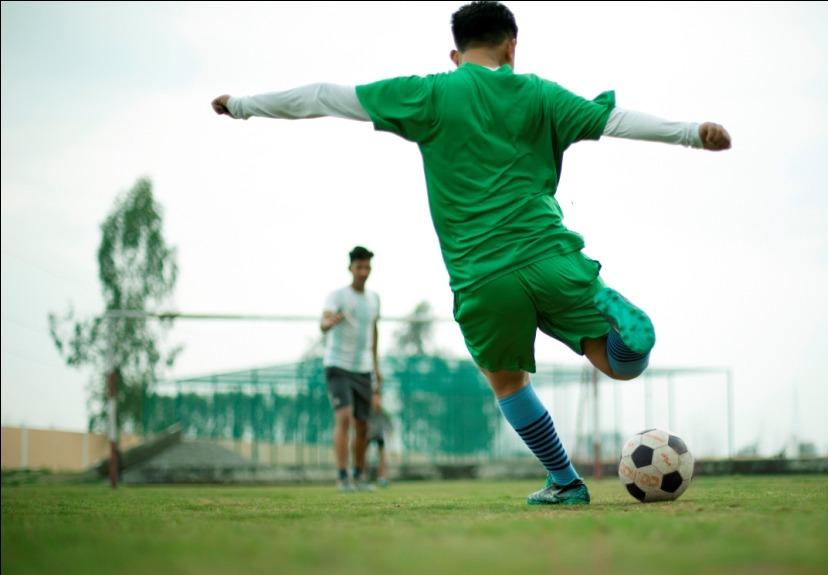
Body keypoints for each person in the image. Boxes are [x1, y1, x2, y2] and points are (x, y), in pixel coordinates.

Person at [212, 0, 731, 505]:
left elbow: (325, 95)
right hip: (550, 255)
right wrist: (690, 134)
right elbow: (612, 119)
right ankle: (625, 332)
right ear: (511, 47)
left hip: (482, 277)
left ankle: (566, 483)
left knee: (506, 382)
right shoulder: (539, 94)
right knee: (618, 365)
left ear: (455, 55)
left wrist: (242, 106)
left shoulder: (432, 94)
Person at [321, 246, 383, 492]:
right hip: (337, 365)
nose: (363, 272)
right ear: (351, 268)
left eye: (367, 267)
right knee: (344, 418)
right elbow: (324, 321)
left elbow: (374, 332)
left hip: (363, 369)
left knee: (363, 425)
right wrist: (328, 322)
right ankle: (342, 476)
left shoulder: (374, 299)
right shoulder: (337, 296)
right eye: (359, 267)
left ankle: (359, 475)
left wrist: (376, 368)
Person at [367, 393, 395, 487]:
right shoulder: (367, 412)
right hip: (368, 435)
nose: (377, 401)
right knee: (363, 457)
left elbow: (389, 428)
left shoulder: (384, 413)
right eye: (375, 399)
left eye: (378, 399)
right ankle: (362, 477)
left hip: (379, 436)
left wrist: (391, 443)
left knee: (382, 457)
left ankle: (382, 478)